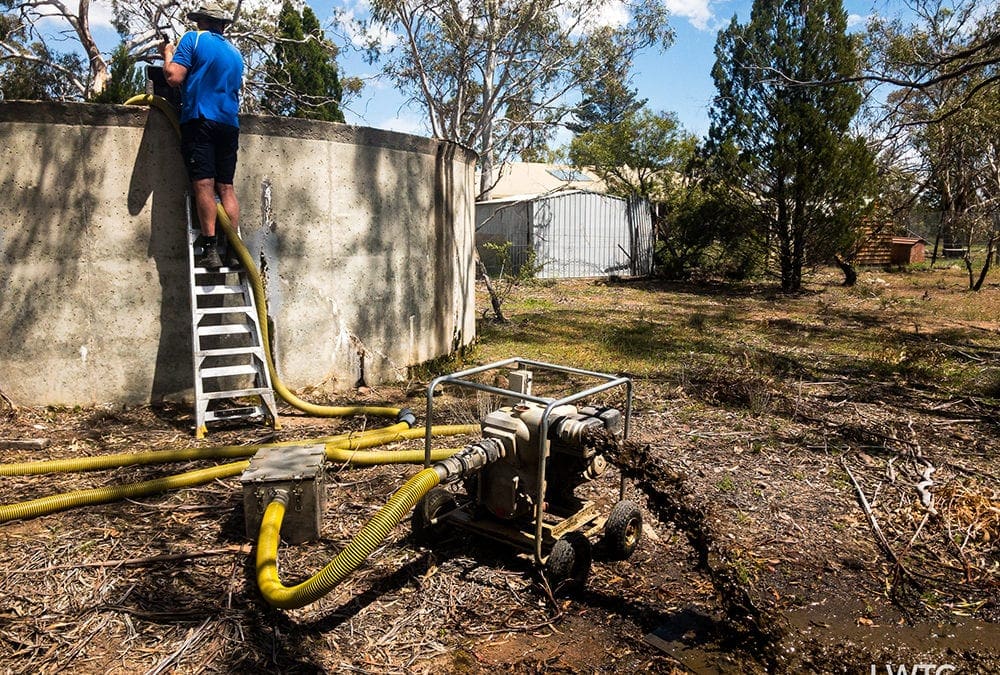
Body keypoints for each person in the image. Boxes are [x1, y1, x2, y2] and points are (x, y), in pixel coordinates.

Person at [159, 2, 244, 269]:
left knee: (204, 186)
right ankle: (232, 249)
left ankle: (210, 248)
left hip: (201, 120)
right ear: (222, 25)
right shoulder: (235, 52)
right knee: (226, 187)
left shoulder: (192, 39)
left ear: (201, 21)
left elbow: (174, 77)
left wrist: (167, 54)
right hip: (229, 124)